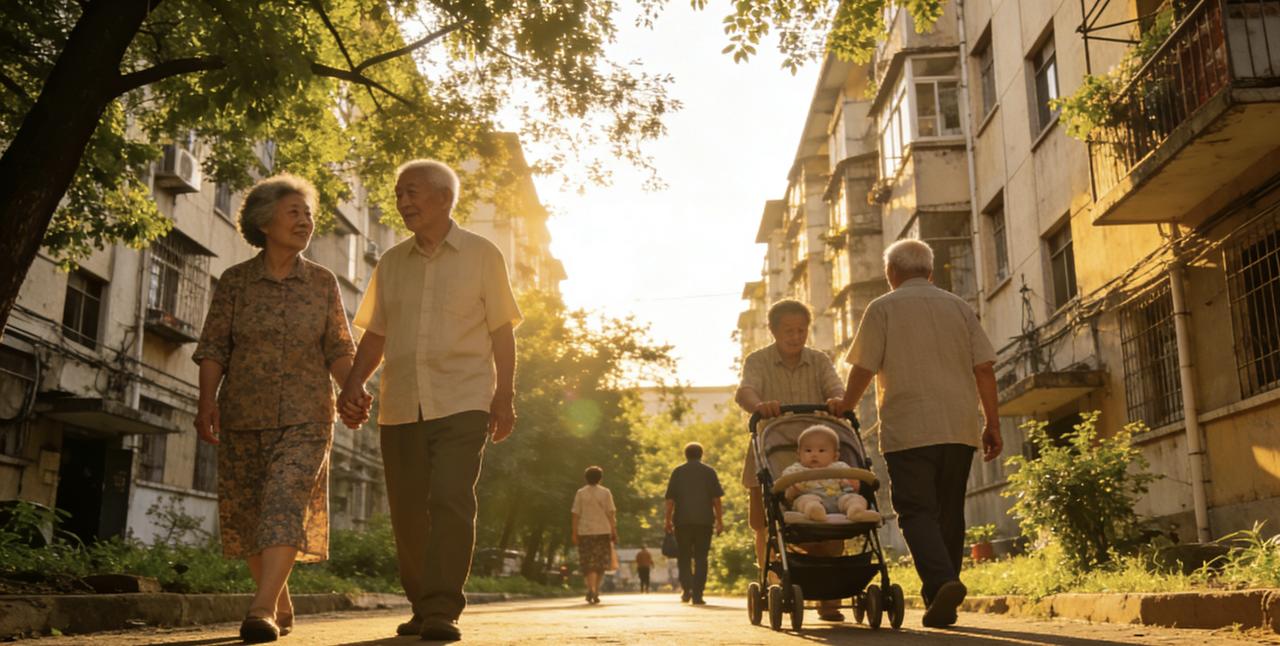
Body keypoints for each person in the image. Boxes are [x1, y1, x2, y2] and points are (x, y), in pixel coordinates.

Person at [337, 159, 521, 642]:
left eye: (412, 193)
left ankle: (442, 608)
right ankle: (422, 605)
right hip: (401, 403)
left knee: (450, 500)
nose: (403, 203)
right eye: (399, 194)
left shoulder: (483, 254)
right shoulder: (392, 262)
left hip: (463, 399)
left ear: (443, 198)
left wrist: (505, 396)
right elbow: (375, 336)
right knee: (407, 510)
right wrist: (353, 385)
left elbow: (502, 331)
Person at [192, 174, 356, 644]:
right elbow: (214, 347)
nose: (306, 221)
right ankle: (279, 597)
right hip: (243, 413)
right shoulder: (235, 282)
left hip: (307, 415)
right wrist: (206, 402)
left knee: (284, 502)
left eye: (308, 214)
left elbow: (338, 349)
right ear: (265, 222)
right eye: (294, 212)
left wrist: (352, 390)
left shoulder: (323, 283)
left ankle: (260, 609)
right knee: (249, 513)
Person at [839, 239, 1002, 629]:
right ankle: (939, 598)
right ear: (929, 272)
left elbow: (863, 367)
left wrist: (844, 406)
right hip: (958, 427)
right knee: (948, 512)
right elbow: (984, 369)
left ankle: (943, 582)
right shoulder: (958, 307)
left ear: (890, 274)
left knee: (915, 512)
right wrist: (991, 423)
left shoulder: (882, 308)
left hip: (909, 428)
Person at [734, 299, 847, 620]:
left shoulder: (819, 360)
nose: (796, 337)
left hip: (816, 457)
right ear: (773, 331)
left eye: (801, 330)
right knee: (763, 524)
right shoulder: (758, 360)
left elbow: (835, 388)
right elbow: (745, 391)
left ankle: (829, 596)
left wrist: (837, 401)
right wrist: (759, 405)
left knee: (830, 516)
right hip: (769, 454)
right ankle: (773, 585)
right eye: (789, 331)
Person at [663, 442, 724, 605]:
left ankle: (686, 590)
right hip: (704, 521)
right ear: (701, 454)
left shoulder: (678, 472)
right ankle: (698, 594)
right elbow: (716, 499)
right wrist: (719, 521)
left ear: (686, 455)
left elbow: (670, 500)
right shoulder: (709, 472)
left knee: (683, 557)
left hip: (682, 521)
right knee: (701, 557)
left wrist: (667, 520)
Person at [782, 425, 876, 522]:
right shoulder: (796, 470)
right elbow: (786, 486)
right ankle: (814, 511)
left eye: (821, 451)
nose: (814, 454)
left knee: (854, 498)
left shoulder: (839, 467)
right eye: (808, 450)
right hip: (810, 495)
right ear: (798, 454)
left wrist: (854, 484)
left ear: (835, 456)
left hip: (839, 497)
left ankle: (856, 511)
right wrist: (793, 489)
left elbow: (853, 483)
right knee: (803, 501)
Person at [571, 466, 617, 605]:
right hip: (603, 531)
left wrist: (574, 532)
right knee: (600, 563)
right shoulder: (606, 492)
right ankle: (596, 590)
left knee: (588, 563)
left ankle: (590, 588)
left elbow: (575, 514)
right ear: (600, 478)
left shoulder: (580, 493)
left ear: (586, 478)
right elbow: (611, 513)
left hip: (585, 532)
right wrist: (614, 531)